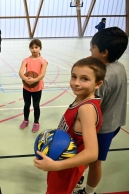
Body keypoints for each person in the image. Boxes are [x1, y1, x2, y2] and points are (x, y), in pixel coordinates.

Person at [34, 57, 106, 194]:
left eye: (84, 79)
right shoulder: (81, 99)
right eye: (74, 77)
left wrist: (57, 165)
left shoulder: (86, 109)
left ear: (98, 84)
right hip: (63, 161)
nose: (76, 83)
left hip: (67, 166)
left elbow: (92, 153)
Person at [74, 27, 128, 194]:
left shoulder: (102, 79)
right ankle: (80, 176)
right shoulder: (119, 66)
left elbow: (88, 107)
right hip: (116, 121)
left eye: (93, 47)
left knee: (95, 161)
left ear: (104, 52)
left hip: (102, 128)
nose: (90, 49)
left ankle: (89, 192)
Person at [19, 39, 48, 132]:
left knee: (36, 105)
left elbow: (42, 74)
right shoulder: (26, 60)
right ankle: (25, 120)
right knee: (26, 104)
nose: (34, 50)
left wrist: (34, 80)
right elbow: (20, 72)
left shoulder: (43, 61)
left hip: (37, 87)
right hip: (26, 87)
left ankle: (36, 122)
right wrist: (25, 79)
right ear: (29, 49)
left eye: (36, 47)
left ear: (40, 48)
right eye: (32, 48)